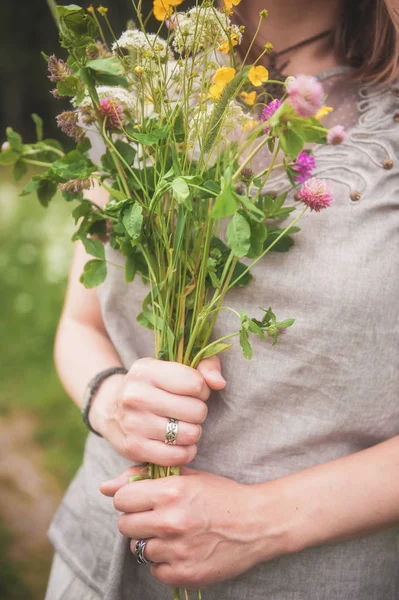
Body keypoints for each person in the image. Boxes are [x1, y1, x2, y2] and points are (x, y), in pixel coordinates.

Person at [45, 0, 399, 598]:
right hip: (98, 572)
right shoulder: (141, 87)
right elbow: (81, 326)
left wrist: (258, 524)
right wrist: (111, 404)